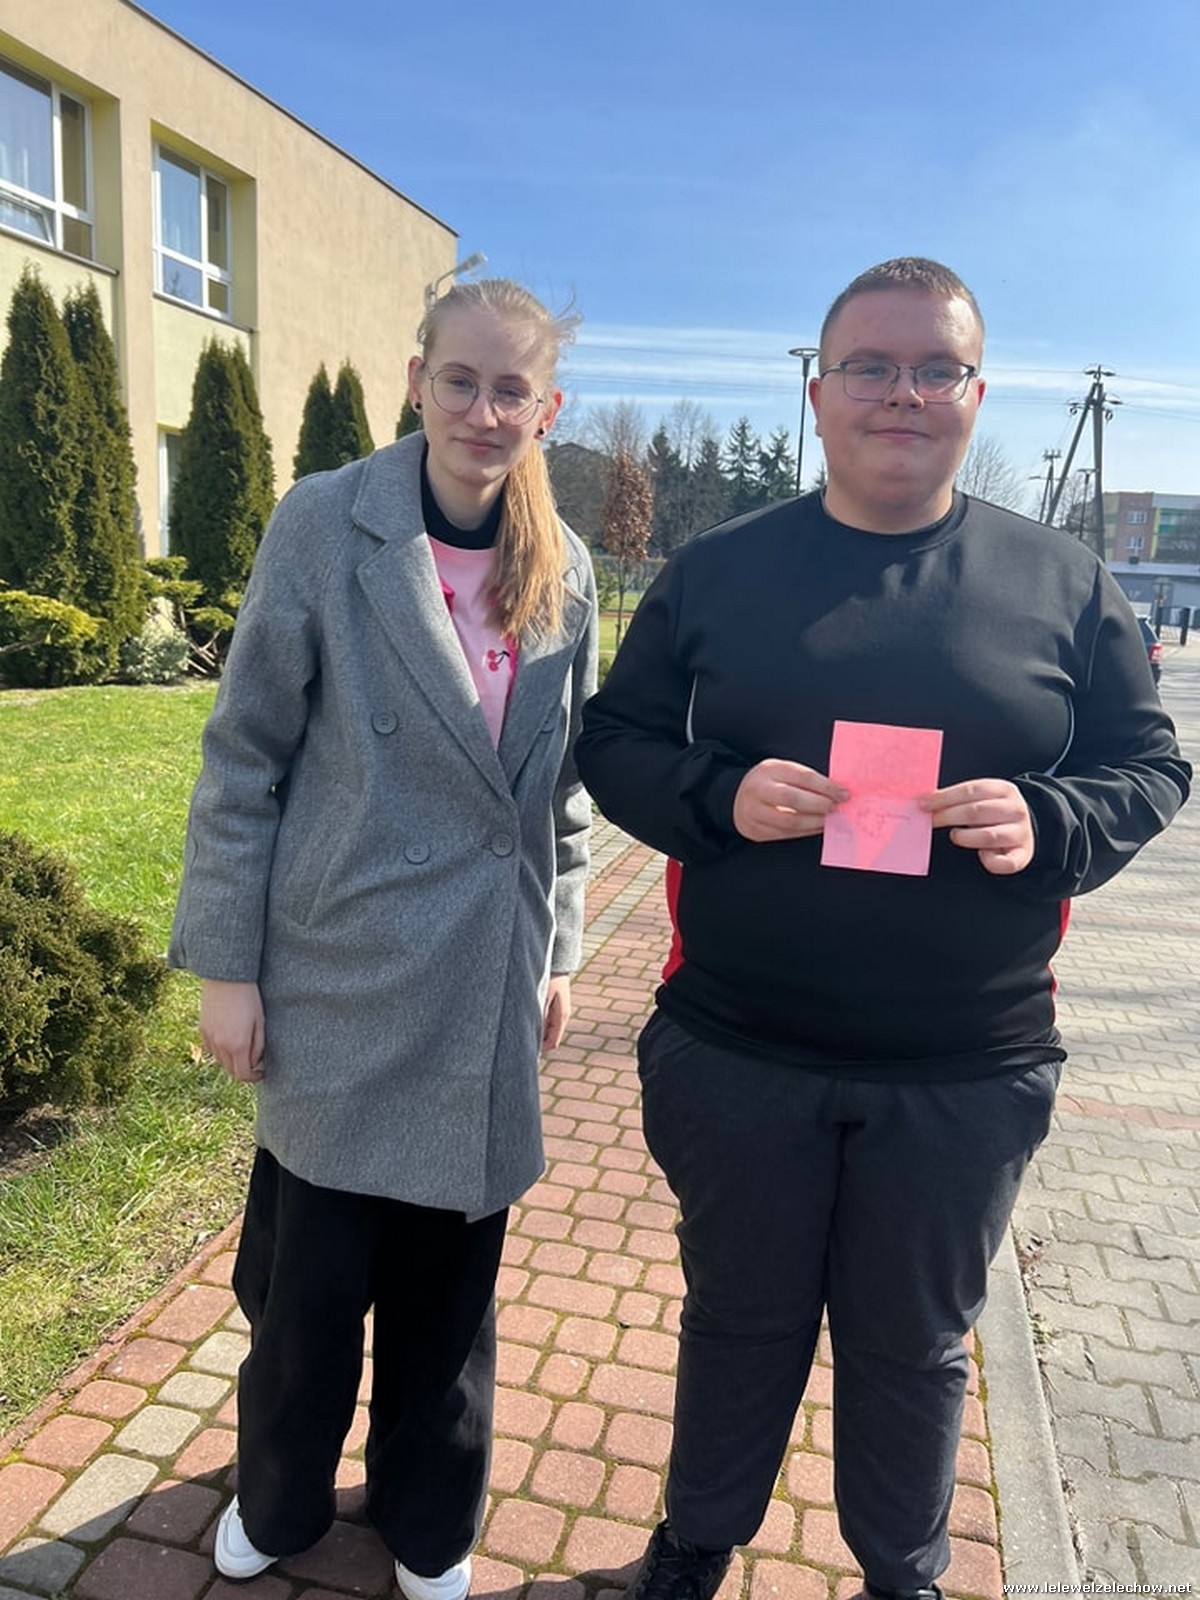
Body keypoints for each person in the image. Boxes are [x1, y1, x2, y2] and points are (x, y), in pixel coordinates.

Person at [575, 258, 1190, 1600]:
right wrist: (720, 796)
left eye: (934, 369)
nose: (901, 393)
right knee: (738, 1319)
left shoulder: (1065, 582)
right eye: (869, 366)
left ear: (977, 394)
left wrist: (1052, 819)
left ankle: (901, 1571)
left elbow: (1152, 766)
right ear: (818, 390)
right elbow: (613, 743)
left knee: (915, 1344)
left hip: (964, 1068)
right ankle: (697, 1539)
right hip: (738, 1050)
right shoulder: (721, 570)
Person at [169, 278, 597, 1594]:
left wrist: (561, 952)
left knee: (447, 1310)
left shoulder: (567, 570)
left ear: (547, 408)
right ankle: (279, 1502)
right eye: (459, 380)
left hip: (483, 988)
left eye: (512, 389)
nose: (483, 411)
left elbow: (560, 790)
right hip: (339, 979)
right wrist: (229, 966)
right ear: (417, 380)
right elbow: (245, 754)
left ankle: (428, 1523)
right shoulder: (326, 521)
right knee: (306, 1304)